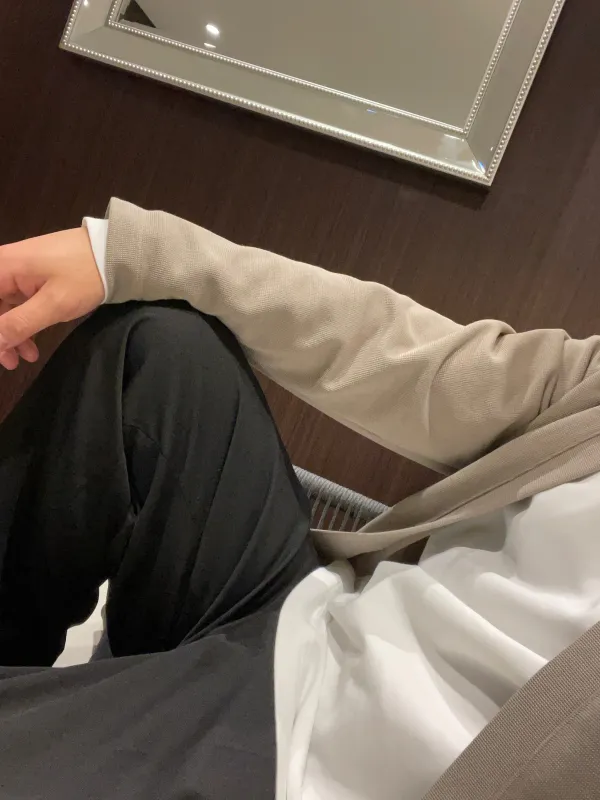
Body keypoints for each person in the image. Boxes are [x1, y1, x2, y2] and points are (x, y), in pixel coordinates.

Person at [0, 199, 599, 800]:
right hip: (315, 621)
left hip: (316, 773)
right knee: (158, 348)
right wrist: (125, 254)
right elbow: (417, 361)